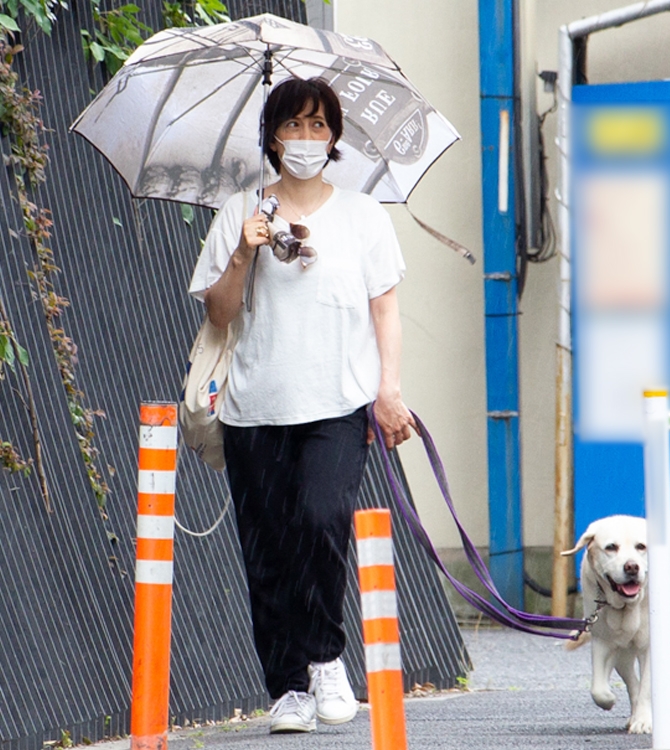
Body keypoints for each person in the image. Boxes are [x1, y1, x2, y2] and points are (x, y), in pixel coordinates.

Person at [188, 76, 416, 734]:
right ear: (272, 137)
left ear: (336, 137)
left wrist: (389, 389)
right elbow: (221, 313)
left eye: (319, 126)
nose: (307, 139)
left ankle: (324, 657)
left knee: (321, 520)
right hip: (254, 408)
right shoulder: (240, 212)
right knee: (267, 550)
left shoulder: (363, 216)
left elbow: (386, 309)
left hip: (337, 404)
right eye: (293, 126)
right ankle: (287, 688)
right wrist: (245, 251)